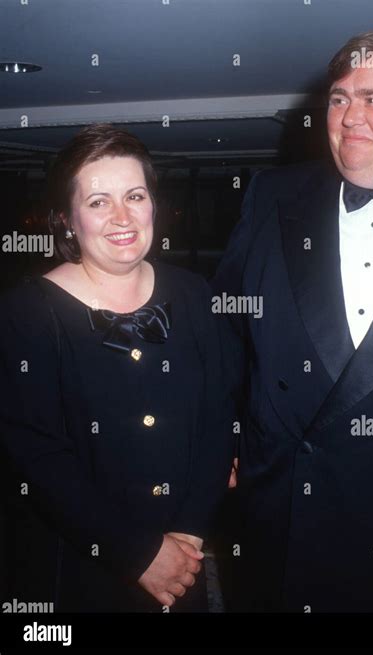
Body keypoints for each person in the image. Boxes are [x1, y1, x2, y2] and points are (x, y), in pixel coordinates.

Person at [212, 30, 373, 612]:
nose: (350, 115)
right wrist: (228, 439)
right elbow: (224, 335)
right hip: (279, 514)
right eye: (338, 98)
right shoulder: (273, 195)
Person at [0, 124, 234, 612]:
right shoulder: (25, 313)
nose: (122, 216)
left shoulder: (195, 294)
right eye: (98, 201)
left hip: (182, 565)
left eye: (135, 195)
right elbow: (36, 457)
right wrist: (138, 553)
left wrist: (188, 537)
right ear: (67, 220)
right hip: (80, 570)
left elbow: (218, 422)